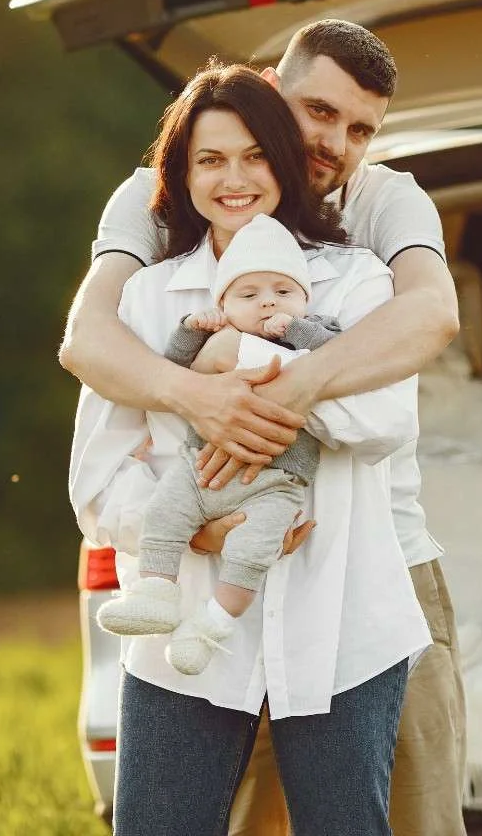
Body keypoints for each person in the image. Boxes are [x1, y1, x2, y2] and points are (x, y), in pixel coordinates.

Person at [59, 19, 468, 836]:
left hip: (361, 583)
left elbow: (413, 358)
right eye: (319, 112)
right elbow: (87, 357)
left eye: (360, 128)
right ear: (275, 94)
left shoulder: (365, 251)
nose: (334, 143)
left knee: (405, 818)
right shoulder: (153, 273)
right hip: (195, 615)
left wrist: (241, 358)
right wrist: (193, 401)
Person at [94, 214, 346, 677]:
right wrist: (193, 328)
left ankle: (210, 627)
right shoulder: (211, 337)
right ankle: (155, 592)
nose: (268, 302)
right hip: (200, 470)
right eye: (249, 295)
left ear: (305, 298)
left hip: (274, 483)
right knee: (164, 513)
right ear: (224, 305)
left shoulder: (316, 330)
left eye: (284, 291)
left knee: (253, 551)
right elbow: (171, 367)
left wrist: (292, 328)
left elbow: (337, 353)